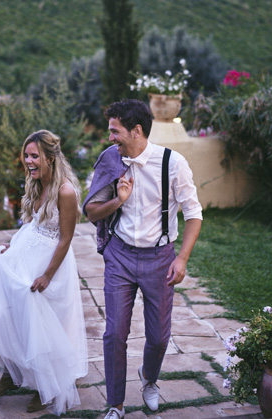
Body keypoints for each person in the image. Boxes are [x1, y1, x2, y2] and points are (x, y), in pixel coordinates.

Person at [83, 99, 202, 419]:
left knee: (160, 338)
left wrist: (182, 259)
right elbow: (92, 211)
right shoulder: (110, 160)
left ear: (136, 131)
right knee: (114, 333)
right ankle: (116, 405)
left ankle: (149, 379)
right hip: (119, 256)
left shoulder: (173, 164)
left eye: (115, 131)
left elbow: (194, 215)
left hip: (160, 259)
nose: (110, 138)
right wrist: (118, 200)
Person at [0, 130, 88, 415]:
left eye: (35, 156)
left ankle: (45, 388)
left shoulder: (65, 191)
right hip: (27, 251)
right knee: (3, 311)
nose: (29, 161)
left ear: (50, 158)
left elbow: (66, 238)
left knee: (39, 324)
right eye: (27, 155)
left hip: (50, 263)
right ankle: (11, 372)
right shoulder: (36, 183)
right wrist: (13, 243)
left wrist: (47, 275)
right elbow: (32, 224)